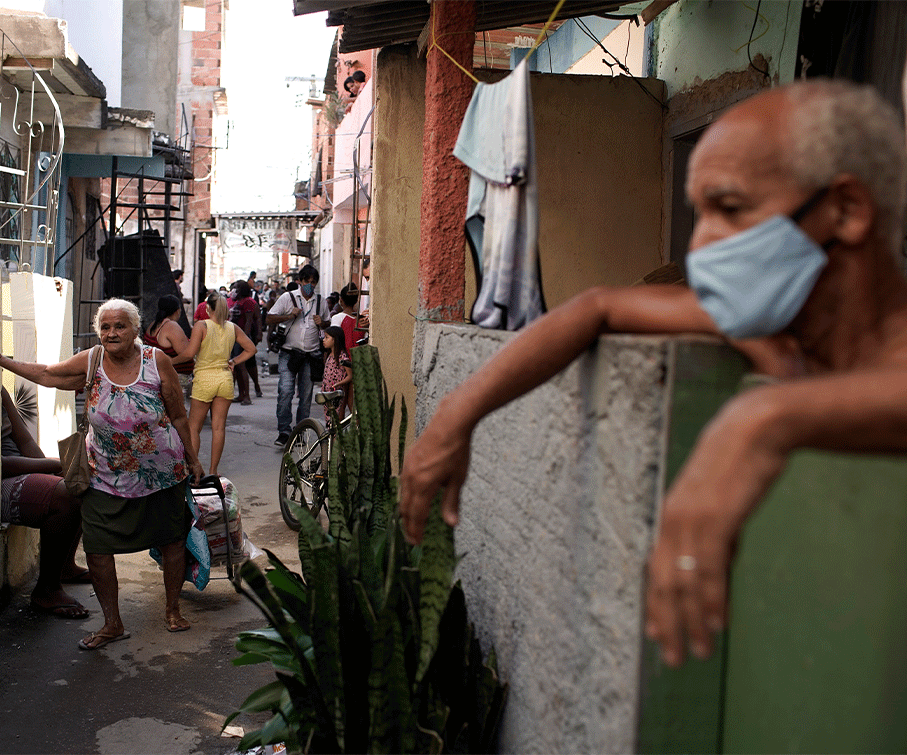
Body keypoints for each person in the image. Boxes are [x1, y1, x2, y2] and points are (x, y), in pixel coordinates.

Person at [399, 79, 907, 669]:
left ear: (845, 210)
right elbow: (597, 308)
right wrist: (456, 416)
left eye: (732, 209)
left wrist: (763, 418)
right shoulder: (778, 323)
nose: (700, 248)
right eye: (701, 213)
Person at [0, 299, 204, 649]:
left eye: (119, 326)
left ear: (136, 329)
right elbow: (46, 373)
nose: (112, 333)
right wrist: (1, 361)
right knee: (99, 548)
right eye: (105, 327)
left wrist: (193, 459)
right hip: (104, 473)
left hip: (161, 473)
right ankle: (112, 624)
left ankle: (173, 610)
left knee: (172, 540)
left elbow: (178, 415)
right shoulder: (91, 362)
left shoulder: (156, 361)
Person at [0, 387, 90, 619]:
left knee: (79, 480)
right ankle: (46, 591)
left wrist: (54, 471)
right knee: (67, 494)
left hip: (19, 470)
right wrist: (53, 466)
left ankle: (66, 568)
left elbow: (26, 442)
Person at [173, 290, 257, 476]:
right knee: (219, 428)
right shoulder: (232, 328)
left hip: (204, 379)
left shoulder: (201, 326)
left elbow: (189, 353)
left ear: (208, 308)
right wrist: (234, 361)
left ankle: (194, 470)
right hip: (224, 379)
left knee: (194, 427)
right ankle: (214, 470)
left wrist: (168, 361)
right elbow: (251, 349)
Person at [267, 264, 331, 446]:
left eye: (313, 282)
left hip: (310, 355)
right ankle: (284, 431)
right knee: (285, 391)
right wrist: (288, 315)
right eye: (306, 282)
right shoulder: (288, 298)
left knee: (306, 395)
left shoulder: (321, 301)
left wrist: (323, 323)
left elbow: (327, 324)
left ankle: (301, 431)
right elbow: (269, 318)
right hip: (289, 353)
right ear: (300, 282)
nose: (309, 285)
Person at [143, 295, 195, 393]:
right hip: (175, 379)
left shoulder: (154, 324)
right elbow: (188, 354)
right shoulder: (171, 326)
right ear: (178, 310)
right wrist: (171, 361)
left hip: (160, 375)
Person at [227, 280, 262, 403]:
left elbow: (249, 321)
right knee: (236, 367)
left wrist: (244, 338)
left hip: (241, 337)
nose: (233, 290)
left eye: (236, 288)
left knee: (241, 366)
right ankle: (241, 394)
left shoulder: (247, 302)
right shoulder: (236, 302)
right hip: (233, 337)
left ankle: (246, 395)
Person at [320, 326, 352, 423]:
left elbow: (350, 375)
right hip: (326, 392)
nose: (323, 340)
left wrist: (339, 384)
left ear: (335, 339)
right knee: (329, 419)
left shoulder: (342, 357)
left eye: (326, 337)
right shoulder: (329, 355)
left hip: (336, 393)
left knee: (336, 418)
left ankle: (335, 438)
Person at [330, 283, 367, 351]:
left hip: (343, 358)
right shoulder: (363, 320)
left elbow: (334, 342)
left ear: (341, 300)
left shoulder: (337, 318)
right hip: (359, 359)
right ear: (356, 301)